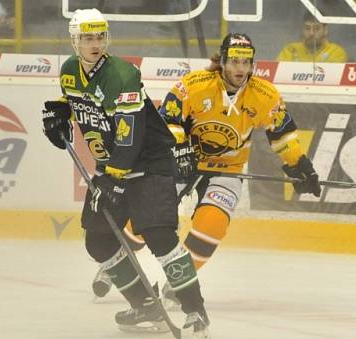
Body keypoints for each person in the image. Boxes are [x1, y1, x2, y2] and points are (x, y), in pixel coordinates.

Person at [91, 32, 322, 307]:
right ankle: (117, 262)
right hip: (178, 163)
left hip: (227, 169)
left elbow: (283, 135)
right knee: (149, 216)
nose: (240, 68)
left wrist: (299, 166)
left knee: (212, 223)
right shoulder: (195, 85)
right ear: (222, 61)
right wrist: (180, 151)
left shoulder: (264, 95)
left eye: (246, 62)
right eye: (234, 61)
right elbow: (167, 120)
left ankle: (179, 283)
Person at [41, 8, 210, 339]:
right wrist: (61, 111)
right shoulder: (70, 71)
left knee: (158, 236)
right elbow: (79, 100)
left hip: (148, 164)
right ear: (75, 40)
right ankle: (145, 305)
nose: (95, 43)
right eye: (87, 37)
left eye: (100, 36)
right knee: (99, 241)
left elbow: (130, 133)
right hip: (111, 168)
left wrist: (114, 178)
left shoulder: (123, 74)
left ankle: (196, 312)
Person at [277, 12, 348, 63]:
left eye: (316, 28)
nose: (311, 33)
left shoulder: (336, 52)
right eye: (307, 28)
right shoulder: (291, 49)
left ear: (325, 30)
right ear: (302, 29)